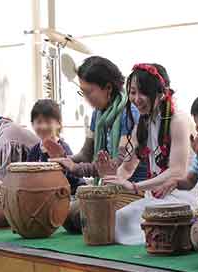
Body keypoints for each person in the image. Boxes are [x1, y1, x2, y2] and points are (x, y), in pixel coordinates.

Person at [102, 63, 196, 245]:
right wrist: (112, 180)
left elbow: (178, 171)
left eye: (142, 92)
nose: (136, 99)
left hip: (184, 198)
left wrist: (136, 187)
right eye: (133, 92)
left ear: (162, 93)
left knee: (125, 221)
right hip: (155, 199)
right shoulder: (143, 124)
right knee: (117, 219)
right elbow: (128, 167)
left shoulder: (178, 120)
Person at [51, 56, 148, 184]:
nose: (85, 98)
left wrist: (76, 168)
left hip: (134, 188)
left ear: (108, 88)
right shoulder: (98, 114)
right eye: (82, 92)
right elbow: (86, 154)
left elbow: (117, 165)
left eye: (89, 92)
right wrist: (64, 160)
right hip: (112, 185)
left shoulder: (130, 113)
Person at [26, 99, 84, 233]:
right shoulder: (34, 150)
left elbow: (70, 176)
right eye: (39, 122)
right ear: (32, 124)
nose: (43, 126)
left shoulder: (63, 148)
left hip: (70, 194)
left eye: (48, 122)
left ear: (58, 124)